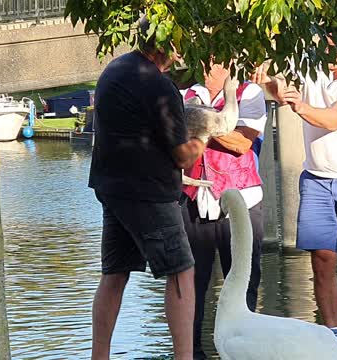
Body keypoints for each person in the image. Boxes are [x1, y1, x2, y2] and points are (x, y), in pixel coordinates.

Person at [252, 35, 337, 359]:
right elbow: (278, 90)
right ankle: (334, 335)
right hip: (316, 180)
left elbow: (334, 119)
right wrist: (272, 86)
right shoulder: (307, 66)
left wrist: (298, 104)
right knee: (322, 259)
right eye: (333, 39)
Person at [87, 18, 205, 360]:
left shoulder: (116, 68)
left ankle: (100, 356)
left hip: (112, 189)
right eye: (180, 40)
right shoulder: (158, 86)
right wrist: (202, 140)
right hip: (148, 193)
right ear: (168, 45)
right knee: (182, 270)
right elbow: (183, 157)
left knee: (114, 273)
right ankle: (184, 356)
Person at [180, 62, 267, 360]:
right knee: (191, 283)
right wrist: (214, 123)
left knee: (243, 281)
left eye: (214, 62)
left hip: (241, 204)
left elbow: (242, 142)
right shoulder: (188, 95)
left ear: (230, 65)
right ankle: (191, 353)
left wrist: (197, 123)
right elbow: (174, 141)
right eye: (201, 60)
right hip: (196, 201)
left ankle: (244, 351)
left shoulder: (249, 92)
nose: (205, 68)